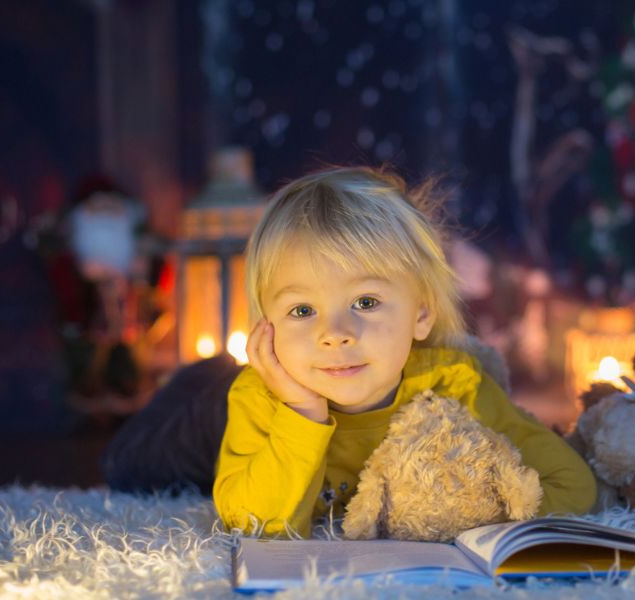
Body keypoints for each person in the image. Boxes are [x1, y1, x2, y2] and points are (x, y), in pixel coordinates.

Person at [212, 166, 595, 538]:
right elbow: (253, 527)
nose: (335, 335)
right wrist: (302, 415)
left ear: (421, 313)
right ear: (267, 327)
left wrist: (468, 518)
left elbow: (571, 484)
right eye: (302, 311)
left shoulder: (454, 385)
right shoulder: (259, 399)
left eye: (365, 302)